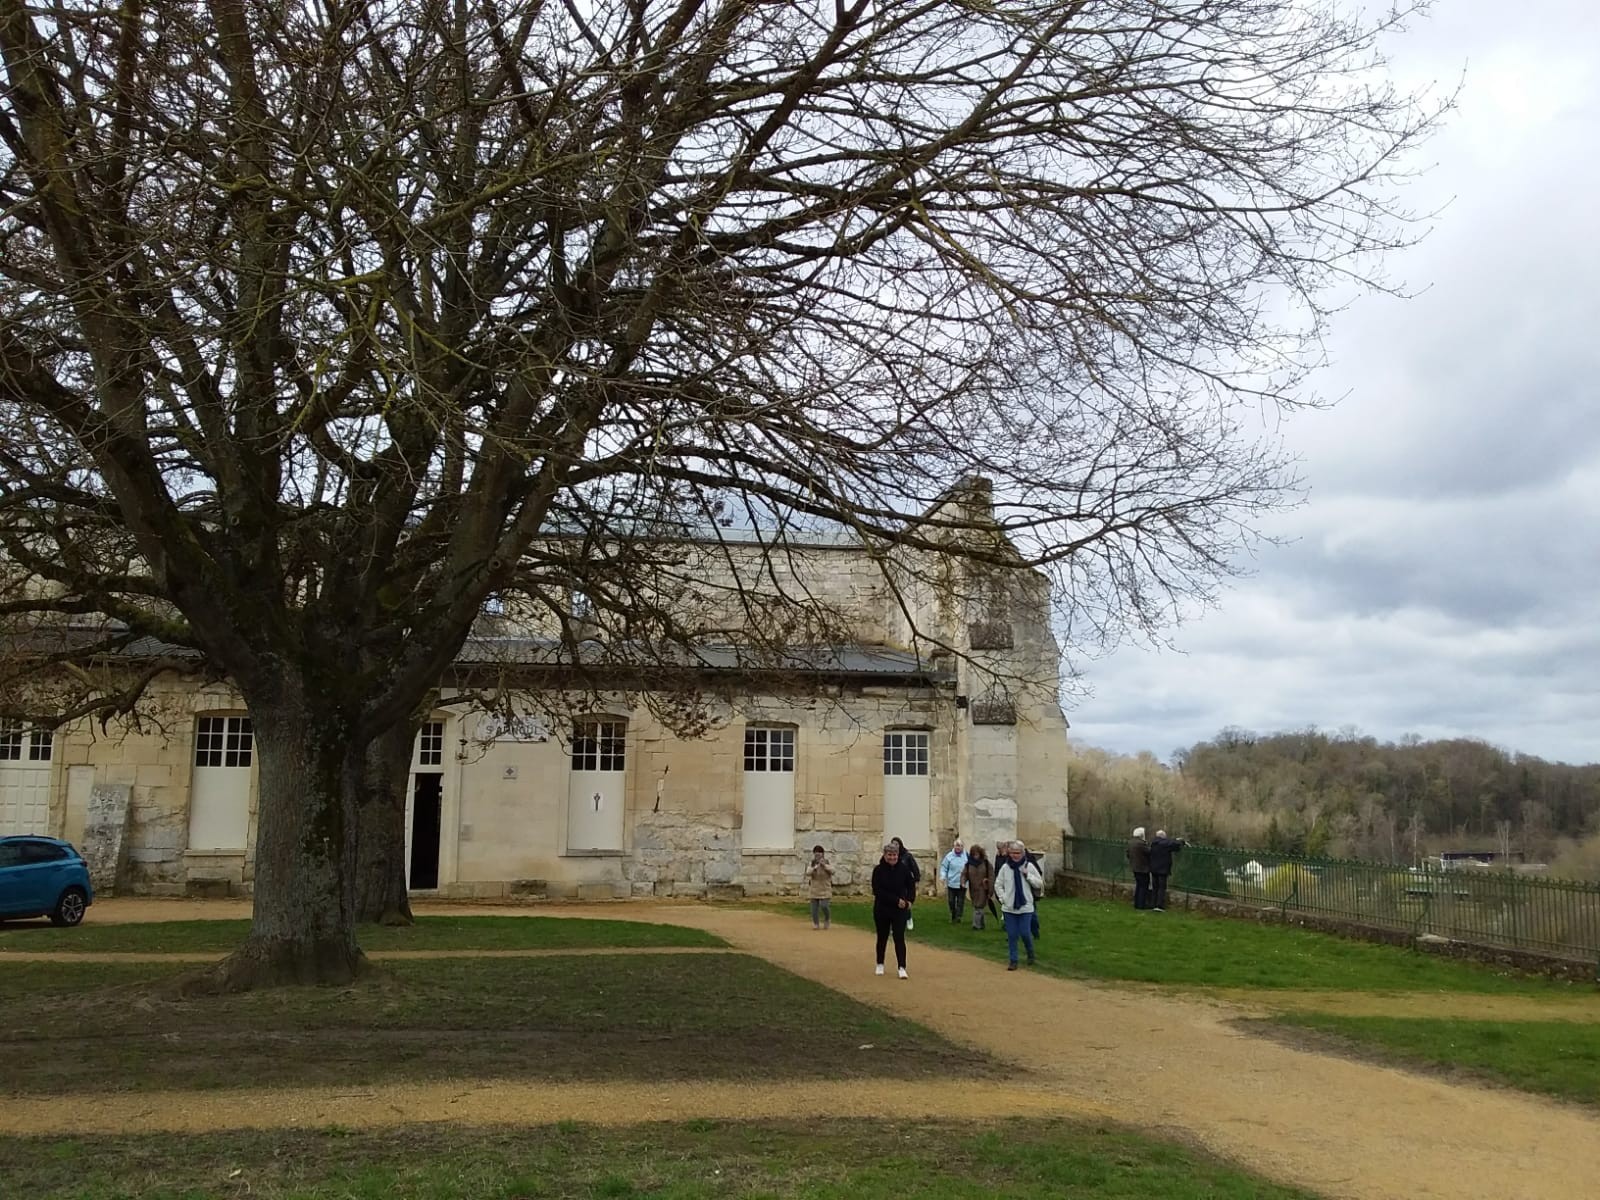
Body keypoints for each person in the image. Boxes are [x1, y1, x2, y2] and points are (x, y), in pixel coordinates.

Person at [995, 840, 1044, 970]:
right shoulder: (1005, 868)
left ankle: (1030, 953)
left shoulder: (1029, 866)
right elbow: (998, 884)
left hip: (1026, 907)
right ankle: (1013, 960)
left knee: (1025, 933)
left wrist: (1028, 876)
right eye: (1013, 853)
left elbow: (1039, 883)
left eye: (1018, 853)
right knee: (1012, 935)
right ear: (1009, 853)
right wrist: (1003, 898)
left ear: (1022, 853)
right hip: (1009, 907)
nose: (1015, 856)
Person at [871, 840, 917, 977]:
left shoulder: (904, 869)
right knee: (882, 937)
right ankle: (880, 963)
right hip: (882, 908)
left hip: (899, 910)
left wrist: (909, 900)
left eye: (895, 855)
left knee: (899, 937)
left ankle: (902, 967)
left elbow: (911, 886)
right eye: (890, 855)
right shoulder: (878, 870)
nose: (892, 858)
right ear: (885, 855)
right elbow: (877, 891)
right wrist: (896, 900)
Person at [1148, 829, 1187, 912]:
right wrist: (1180, 841)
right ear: (1163, 837)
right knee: (1162, 887)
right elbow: (1174, 844)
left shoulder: (1153, 843)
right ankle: (1159, 905)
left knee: (1155, 887)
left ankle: (1153, 903)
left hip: (1153, 869)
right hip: (1162, 869)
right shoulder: (1164, 844)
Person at [890, 837, 921, 930]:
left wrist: (915, 880)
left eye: (896, 844)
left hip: (905, 884)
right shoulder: (890, 856)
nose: (895, 846)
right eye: (893, 844)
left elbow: (914, 869)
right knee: (893, 903)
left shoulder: (907, 856)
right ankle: (893, 924)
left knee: (904, 902)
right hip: (893, 884)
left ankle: (908, 918)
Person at [962, 844, 994, 930]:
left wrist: (990, 889)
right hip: (973, 889)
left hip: (983, 888)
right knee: (978, 907)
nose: (976, 856)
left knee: (978, 906)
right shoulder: (969, 864)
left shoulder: (986, 864)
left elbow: (991, 876)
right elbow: (964, 874)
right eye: (974, 855)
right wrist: (963, 882)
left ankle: (976, 925)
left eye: (977, 854)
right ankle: (982, 924)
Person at [938, 838, 969, 923]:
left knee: (960, 901)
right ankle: (953, 913)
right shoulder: (949, 856)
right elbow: (944, 867)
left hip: (962, 883)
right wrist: (943, 877)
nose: (958, 848)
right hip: (951, 883)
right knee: (951, 901)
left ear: (963, 847)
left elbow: (969, 868)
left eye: (960, 846)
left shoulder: (966, 856)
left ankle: (958, 917)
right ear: (954, 847)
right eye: (957, 846)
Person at [805, 844, 834, 929]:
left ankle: (827, 919)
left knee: (824, 906)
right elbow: (807, 873)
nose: (817, 856)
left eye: (819, 854)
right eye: (816, 854)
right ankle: (816, 923)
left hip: (825, 887)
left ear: (822, 854)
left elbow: (833, 871)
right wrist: (815, 867)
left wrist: (824, 866)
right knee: (814, 908)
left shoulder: (827, 862)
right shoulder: (812, 863)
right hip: (814, 888)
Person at [1127, 826, 1153, 910]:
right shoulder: (1141, 844)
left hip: (1135, 867)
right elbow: (1149, 852)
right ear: (1142, 835)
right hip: (1143, 868)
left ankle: (1136, 903)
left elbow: (1128, 854)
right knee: (1143, 886)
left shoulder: (1131, 842)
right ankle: (1141, 904)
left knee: (1138, 885)